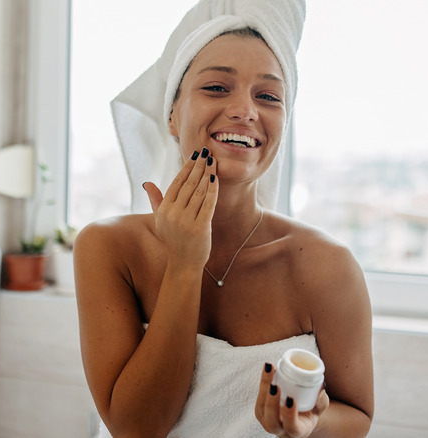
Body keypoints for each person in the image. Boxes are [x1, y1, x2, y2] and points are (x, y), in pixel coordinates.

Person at [74, 1, 373, 436]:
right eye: (216, 88)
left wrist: (311, 425)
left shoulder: (327, 268)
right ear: (172, 116)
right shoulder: (108, 248)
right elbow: (136, 429)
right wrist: (184, 264)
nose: (245, 111)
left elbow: (358, 417)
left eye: (268, 96)